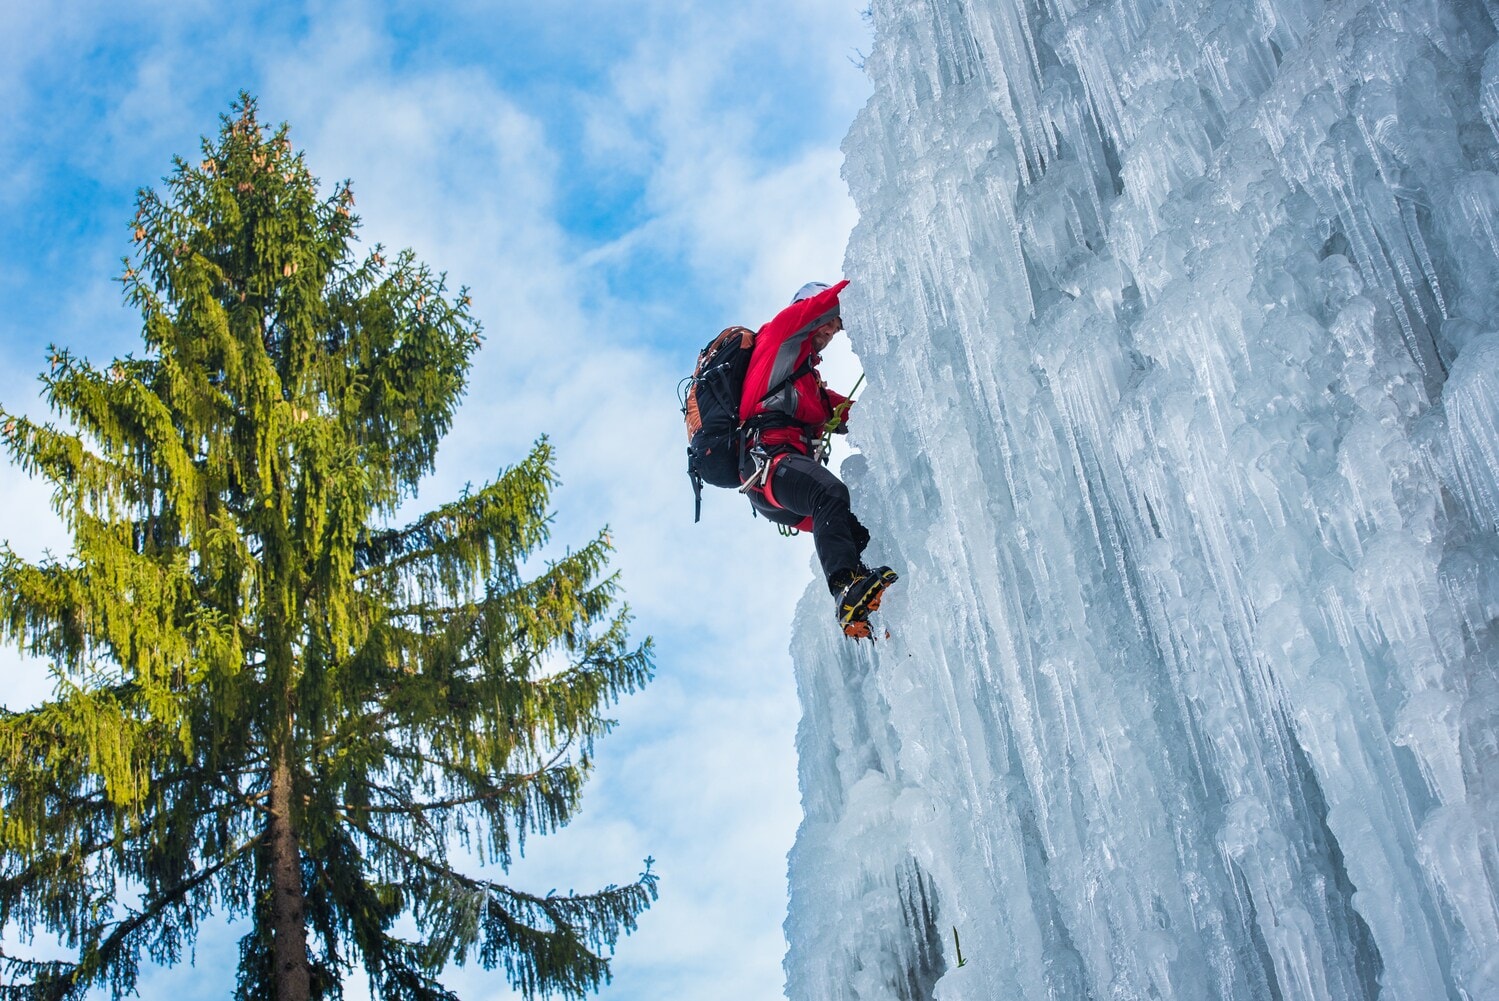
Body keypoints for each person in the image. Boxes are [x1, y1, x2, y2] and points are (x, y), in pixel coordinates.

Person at [738, 280, 898, 637]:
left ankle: (870, 611)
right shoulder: (779, 335)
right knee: (830, 493)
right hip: (769, 465)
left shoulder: (805, 383)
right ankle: (845, 589)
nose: (832, 328)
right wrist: (868, 286)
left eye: (835, 326)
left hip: (780, 484)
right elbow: (828, 301)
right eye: (828, 320)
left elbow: (843, 413)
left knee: (860, 530)